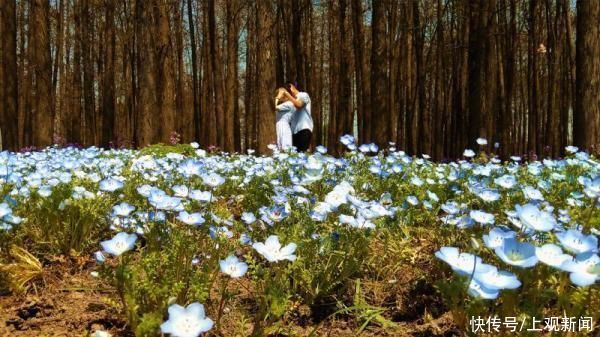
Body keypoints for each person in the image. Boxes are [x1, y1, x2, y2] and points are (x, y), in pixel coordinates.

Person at [282, 82, 313, 152]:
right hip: (294, 132)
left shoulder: (303, 95)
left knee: (302, 155)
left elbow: (299, 105)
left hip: (304, 129)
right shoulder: (291, 101)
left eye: (288, 93)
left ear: (291, 88)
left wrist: (288, 95)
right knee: (295, 156)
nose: (287, 97)